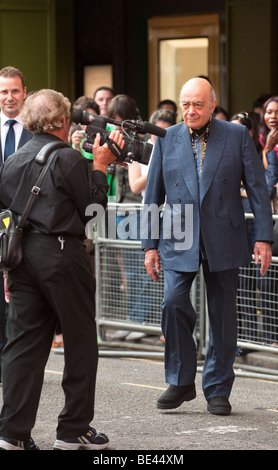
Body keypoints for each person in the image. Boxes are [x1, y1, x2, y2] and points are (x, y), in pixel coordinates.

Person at [0, 88, 124, 450]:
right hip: (61, 255)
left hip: (20, 259)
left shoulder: (13, 160)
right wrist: (99, 166)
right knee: (81, 340)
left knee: (23, 346)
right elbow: (93, 212)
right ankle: (72, 430)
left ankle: (12, 433)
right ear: (61, 121)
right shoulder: (68, 158)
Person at [142, 77, 273, 416]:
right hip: (176, 239)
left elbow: (258, 190)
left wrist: (263, 237)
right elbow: (152, 196)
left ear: (213, 105)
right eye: (185, 103)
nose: (190, 110)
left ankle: (217, 388)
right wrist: (149, 245)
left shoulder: (236, 135)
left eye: (198, 104)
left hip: (224, 236)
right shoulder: (166, 138)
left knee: (224, 317)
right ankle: (182, 379)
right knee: (172, 303)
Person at [230, 112, 278, 349]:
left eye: (237, 129)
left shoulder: (259, 154)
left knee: (266, 283)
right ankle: (247, 337)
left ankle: (270, 336)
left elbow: (265, 190)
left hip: (258, 229)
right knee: (243, 286)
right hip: (237, 227)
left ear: (248, 132)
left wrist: (240, 189)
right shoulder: (227, 155)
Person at [0, 66, 33, 382]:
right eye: (3, 92)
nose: (9, 97)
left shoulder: (36, 132)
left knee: (21, 298)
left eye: (14, 91)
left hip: (27, 227)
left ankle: (19, 363)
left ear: (24, 93)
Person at [258, 96, 278, 169]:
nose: (273, 116)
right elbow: (265, 171)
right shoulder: (258, 140)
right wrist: (269, 147)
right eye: (269, 112)